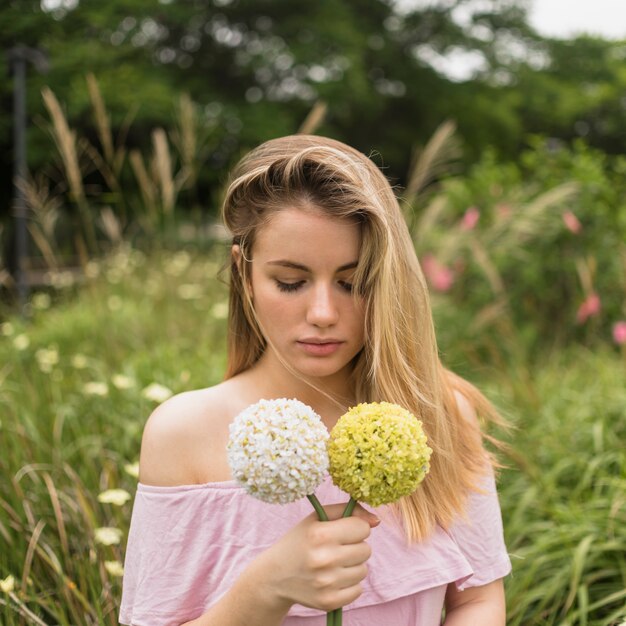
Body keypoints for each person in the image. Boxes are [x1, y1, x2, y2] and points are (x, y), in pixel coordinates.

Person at [119, 134, 511, 626]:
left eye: (354, 282)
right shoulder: (184, 434)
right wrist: (266, 588)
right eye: (290, 281)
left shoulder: (440, 413)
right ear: (244, 275)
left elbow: (478, 600)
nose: (324, 313)